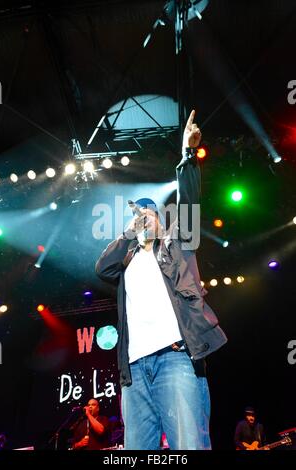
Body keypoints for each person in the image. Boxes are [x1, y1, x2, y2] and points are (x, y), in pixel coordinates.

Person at [96, 109, 227, 450]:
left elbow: (189, 202)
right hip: (134, 372)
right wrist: (128, 231)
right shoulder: (126, 261)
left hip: (175, 358)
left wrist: (187, 156)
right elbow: (101, 268)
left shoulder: (176, 242)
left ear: (159, 218)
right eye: (136, 215)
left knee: (188, 445)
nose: (141, 220)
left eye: (147, 214)